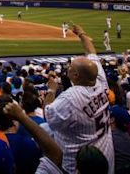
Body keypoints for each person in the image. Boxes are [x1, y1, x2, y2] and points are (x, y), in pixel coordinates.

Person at [44, 24, 114, 173]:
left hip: (78, 166)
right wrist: (82, 34)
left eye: (71, 68)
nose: (68, 68)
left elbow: (48, 115)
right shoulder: (100, 81)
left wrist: (51, 90)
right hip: (105, 159)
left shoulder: (71, 98)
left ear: (76, 76)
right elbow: (91, 52)